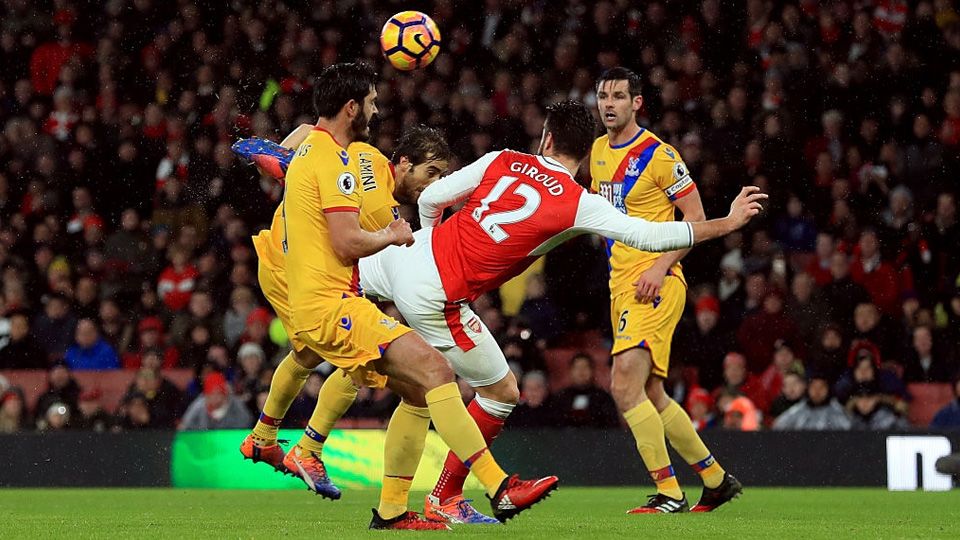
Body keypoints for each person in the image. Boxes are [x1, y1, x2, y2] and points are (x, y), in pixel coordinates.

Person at [238, 95, 765, 523]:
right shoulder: (579, 202)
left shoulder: (503, 159)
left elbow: (431, 198)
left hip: (407, 256)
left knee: (358, 339)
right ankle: (449, 495)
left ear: (547, 139)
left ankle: (306, 447)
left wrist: (429, 242)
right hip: (436, 292)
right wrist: (727, 222)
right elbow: (653, 235)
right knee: (499, 391)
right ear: (585, 150)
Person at [237, 62, 556, 530]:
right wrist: (394, 235)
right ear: (403, 162)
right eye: (431, 174)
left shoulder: (338, 151)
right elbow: (355, 235)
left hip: (308, 277)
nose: (434, 187)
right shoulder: (357, 166)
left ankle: (376, 503)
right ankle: (497, 486)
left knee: (407, 386)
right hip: (307, 283)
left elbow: (305, 134)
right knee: (429, 367)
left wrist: (275, 156)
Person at [590, 67, 742, 513]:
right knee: (651, 395)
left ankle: (669, 493)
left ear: (637, 102)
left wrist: (660, 266)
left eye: (618, 96)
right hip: (621, 285)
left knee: (623, 386)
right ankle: (715, 481)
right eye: (603, 96)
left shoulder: (659, 155)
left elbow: (694, 219)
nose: (609, 104)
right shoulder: (597, 151)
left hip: (656, 284)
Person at [553, 354, 619, 428]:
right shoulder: (560, 397)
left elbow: (612, 427)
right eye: (577, 368)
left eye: (585, 367)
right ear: (570, 371)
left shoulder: (603, 398)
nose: (581, 372)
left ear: (592, 371)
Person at [773, 374, 851, 431]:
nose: (817, 391)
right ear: (808, 389)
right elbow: (778, 426)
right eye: (813, 387)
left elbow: (851, 428)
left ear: (828, 390)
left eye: (821, 387)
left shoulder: (838, 410)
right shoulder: (798, 410)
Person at [179, 371, 252, 430]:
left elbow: (247, 423)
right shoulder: (199, 405)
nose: (215, 397)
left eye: (218, 393)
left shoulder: (236, 405)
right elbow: (184, 426)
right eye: (211, 394)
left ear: (224, 394)